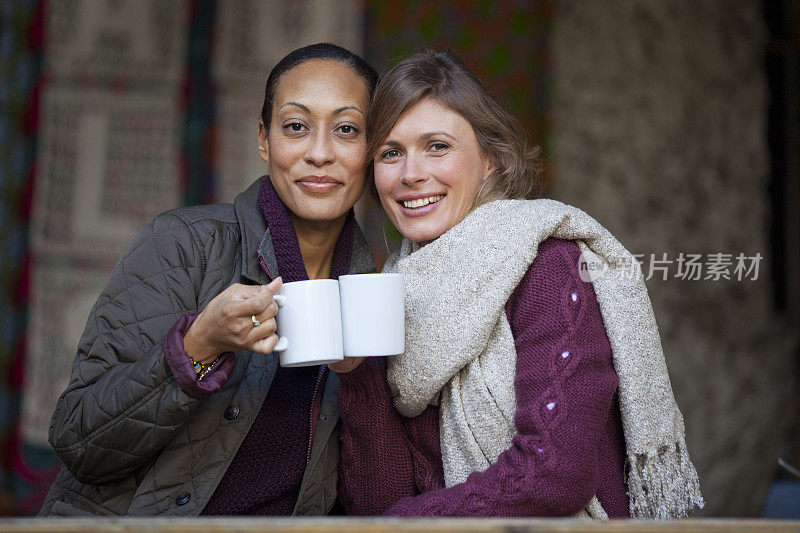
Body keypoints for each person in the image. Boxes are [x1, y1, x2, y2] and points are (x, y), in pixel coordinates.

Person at [333, 49, 704, 519]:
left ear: (490, 159)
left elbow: (552, 476)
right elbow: (376, 502)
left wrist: (407, 522)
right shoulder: (392, 292)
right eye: (390, 153)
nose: (411, 174)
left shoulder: (549, 268)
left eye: (438, 147)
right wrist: (355, 372)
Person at [40, 43, 378, 516]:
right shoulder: (184, 246)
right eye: (296, 127)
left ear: (374, 148)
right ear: (264, 139)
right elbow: (78, 441)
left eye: (346, 130)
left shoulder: (374, 293)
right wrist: (197, 346)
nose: (319, 154)